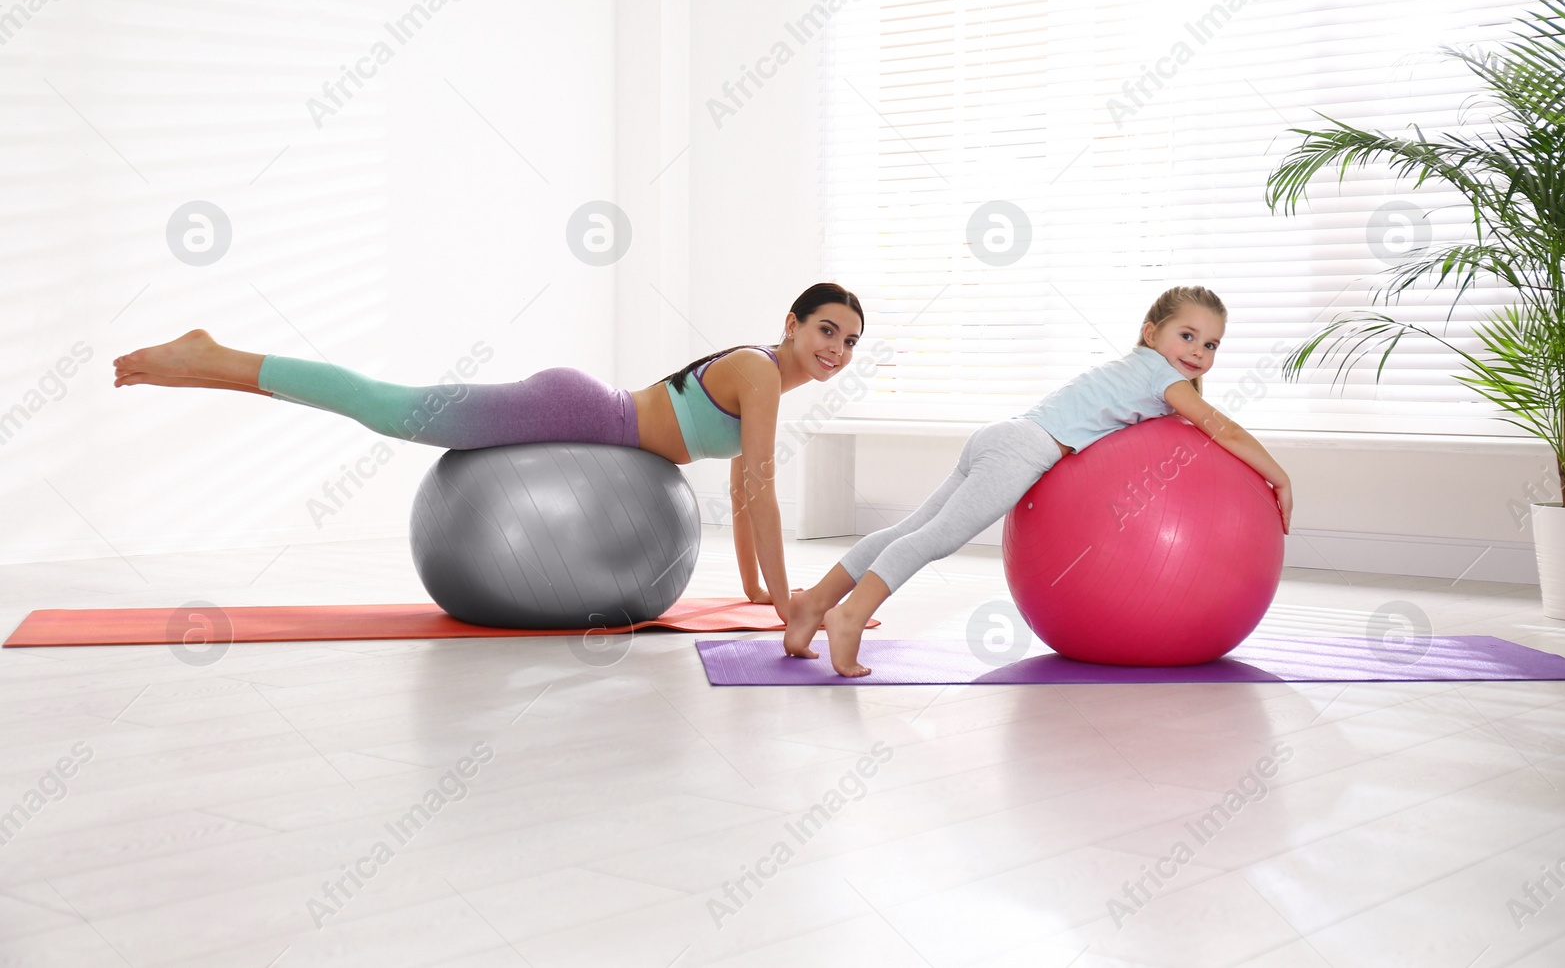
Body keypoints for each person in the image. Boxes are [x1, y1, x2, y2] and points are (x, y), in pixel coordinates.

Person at [112, 283, 866, 622]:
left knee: (387, 411)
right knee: (392, 407)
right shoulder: (763, 372)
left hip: (595, 427)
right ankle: (213, 355)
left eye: (850, 342)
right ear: (793, 323)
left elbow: (741, 491)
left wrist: (761, 594)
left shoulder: (767, 381)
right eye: (827, 329)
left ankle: (213, 365)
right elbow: (763, 489)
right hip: (578, 413)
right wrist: (790, 597)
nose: (836, 348)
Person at [784, 285, 1294, 677]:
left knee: (908, 530)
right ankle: (850, 617)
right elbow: (1217, 425)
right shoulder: (1161, 376)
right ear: (1151, 330)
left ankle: (812, 603)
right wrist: (1279, 476)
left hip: (1003, 435)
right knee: (932, 539)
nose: (1199, 351)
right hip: (1023, 448)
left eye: (1211, 344)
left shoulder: (1137, 368)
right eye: (1187, 335)